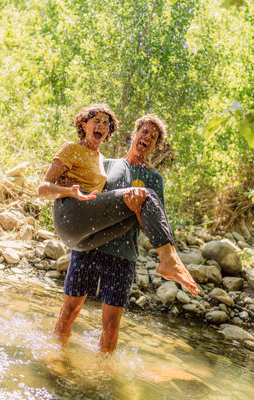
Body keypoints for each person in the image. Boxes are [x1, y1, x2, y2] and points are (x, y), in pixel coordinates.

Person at [38, 109, 199, 353]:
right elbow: (88, 202)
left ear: (154, 146)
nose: (147, 137)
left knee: (111, 326)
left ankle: (103, 381)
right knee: (70, 311)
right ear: (134, 135)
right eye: (144, 131)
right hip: (90, 247)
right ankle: (55, 359)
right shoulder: (105, 164)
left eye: (153, 137)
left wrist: (136, 208)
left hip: (123, 255)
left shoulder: (154, 178)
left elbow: (155, 223)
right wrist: (63, 191)